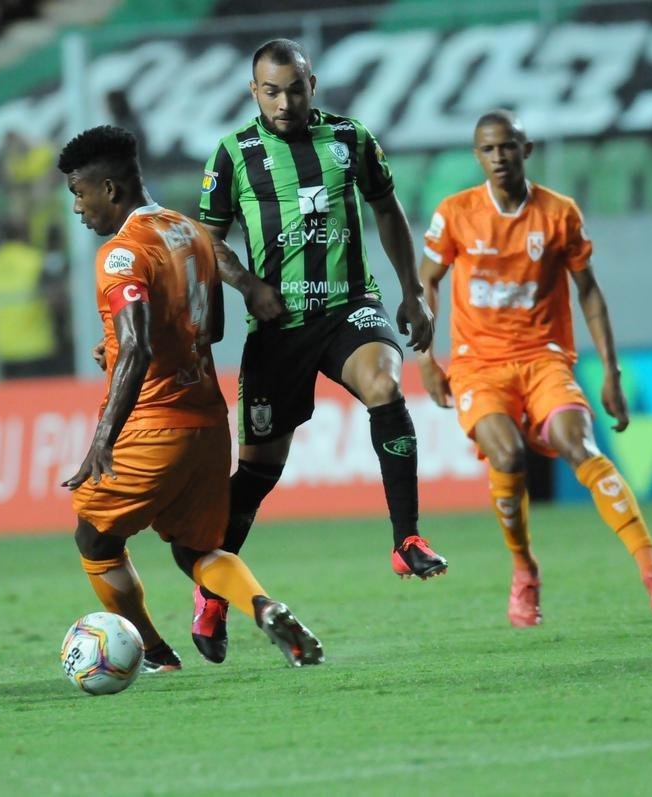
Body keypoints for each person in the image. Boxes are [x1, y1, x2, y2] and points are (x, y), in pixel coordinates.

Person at [191, 38, 445, 664]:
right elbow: (205, 242)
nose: (283, 102)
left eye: (294, 88)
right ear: (254, 92)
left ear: (313, 83)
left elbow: (387, 209)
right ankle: (214, 594)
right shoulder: (233, 156)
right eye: (270, 91)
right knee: (258, 474)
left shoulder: (351, 139)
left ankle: (405, 538)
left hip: (349, 307)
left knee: (385, 386)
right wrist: (250, 286)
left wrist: (411, 292)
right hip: (278, 327)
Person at [58, 125, 324, 671]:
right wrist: (117, 349)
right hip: (206, 422)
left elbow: (137, 347)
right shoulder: (190, 232)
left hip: (152, 425)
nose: (79, 208)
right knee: (195, 549)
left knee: (94, 537)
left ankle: (155, 653)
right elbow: (210, 329)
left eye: (79, 193)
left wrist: (101, 440)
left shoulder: (119, 255)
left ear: (109, 189)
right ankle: (264, 606)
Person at [417, 109, 652, 627]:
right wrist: (427, 357)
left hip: (545, 358)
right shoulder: (455, 213)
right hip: (480, 365)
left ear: (527, 150)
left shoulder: (558, 213)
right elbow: (425, 280)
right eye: (488, 149)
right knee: (507, 454)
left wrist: (611, 371)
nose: (499, 157)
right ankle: (524, 571)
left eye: (508, 147)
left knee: (578, 442)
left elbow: (589, 292)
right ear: (478, 156)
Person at [0, 218, 68, 378]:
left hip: (4, 346)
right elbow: (54, 300)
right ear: (26, 234)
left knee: (13, 400)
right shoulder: (38, 261)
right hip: (37, 344)